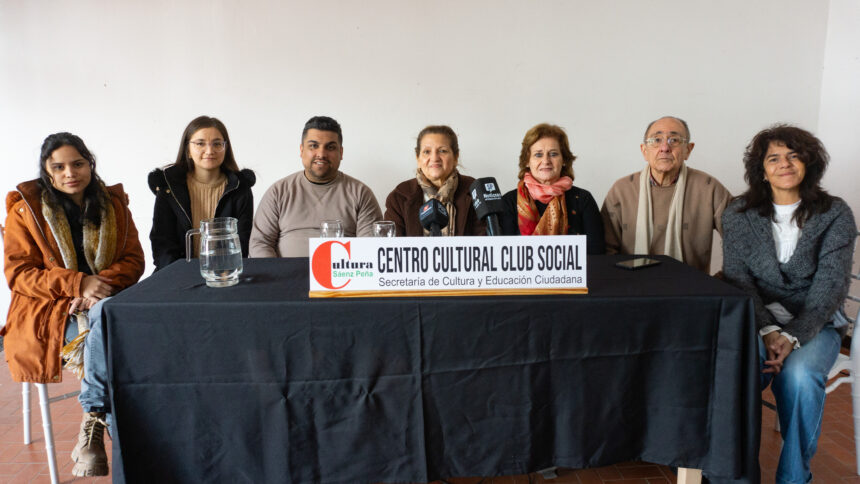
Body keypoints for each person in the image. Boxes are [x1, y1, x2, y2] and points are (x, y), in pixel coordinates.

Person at [3, 133, 145, 477]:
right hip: (50, 312)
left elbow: (132, 259)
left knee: (106, 317)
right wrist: (77, 284)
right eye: (59, 166)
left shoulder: (112, 205)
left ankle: (93, 419)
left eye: (78, 163)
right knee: (112, 328)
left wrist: (99, 286)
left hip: (104, 301)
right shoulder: (27, 211)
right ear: (47, 172)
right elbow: (20, 274)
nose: (71, 172)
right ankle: (116, 430)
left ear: (90, 164)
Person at [722, 125, 856, 484]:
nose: (785, 164)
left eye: (794, 155)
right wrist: (767, 330)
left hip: (816, 323)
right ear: (761, 169)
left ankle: (795, 477)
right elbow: (738, 280)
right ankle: (733, 474)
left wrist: (792, 336)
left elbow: (830, 288)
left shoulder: (836, 214)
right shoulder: (737, 213)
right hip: (754, 321)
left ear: (809, 162)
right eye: (774, 158)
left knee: (799, 377)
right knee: (733, 374)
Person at [601, 116, 731, 273]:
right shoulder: (621, 190)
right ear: (644, 150)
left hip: (693, 291)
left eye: (674, 140)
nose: (664, 147)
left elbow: (742, 241)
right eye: (656, 140)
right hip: (632, 289)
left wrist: (719, 283)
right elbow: (605, 252)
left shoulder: (709, 188)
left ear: (688, 150)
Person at [249, 116, 382, 257]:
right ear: (301, 150)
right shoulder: (278, 192)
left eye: (330, 147)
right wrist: (278, 276)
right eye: (313, 146)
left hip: (341, 276)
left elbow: (370, 250)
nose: (321, 154)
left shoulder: (361, 193)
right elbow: (260, 243)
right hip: (285, 276)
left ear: (341, 153)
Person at [148, 115, 255, 271]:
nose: (209, 151)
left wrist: (221, 273)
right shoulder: (168, 186)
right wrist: (181, 275)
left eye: (217, 144)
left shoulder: (240, 188)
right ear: (188, 150)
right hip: (175, 275)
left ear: (226, 148)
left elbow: (243, 242)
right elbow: (162, 244)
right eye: (200, 143)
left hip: (223, 275)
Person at [499, 123, 605, 254]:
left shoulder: (583, 199)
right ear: (527, 161)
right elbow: (502, 255)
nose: (546, 161)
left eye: (553, 154)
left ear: (564, 159)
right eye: (538, 155)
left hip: (573, 275)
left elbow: (597, 253)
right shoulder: (508, 202)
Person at [384, 125, 483, 236]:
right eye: (427, 152)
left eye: (442, 151)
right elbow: (392, 250)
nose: (435, 158)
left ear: (456, 157)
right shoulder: (399, 197)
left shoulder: (476, 192)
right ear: (417, 158)